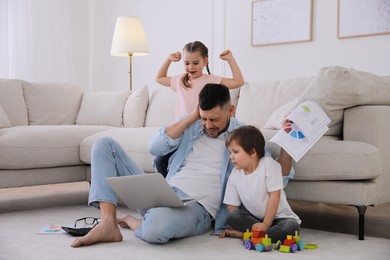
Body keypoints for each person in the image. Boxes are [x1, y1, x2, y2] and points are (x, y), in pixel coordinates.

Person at [71, 83, 293, 247]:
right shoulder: (193, 126)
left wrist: (288, 143)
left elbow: (276, 176)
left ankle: (135, 221)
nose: (208, 125)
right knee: (103, 144)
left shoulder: (245, 137)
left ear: (231, 111)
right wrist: (192, 117)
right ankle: (108, 223)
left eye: (214, 119)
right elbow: (155, 147)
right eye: (204, 118)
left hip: (198, 207)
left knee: (156, 228)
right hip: (162, 192)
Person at [154, 41, 244, 176]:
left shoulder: (211, 80)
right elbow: (159, 78)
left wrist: (230, 60)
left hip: (200, 132)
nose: (190, 67)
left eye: (195, 63)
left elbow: (238, 82)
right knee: (159, 160)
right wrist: (168, 60)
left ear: (205, 61)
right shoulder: (180, 80)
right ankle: (167, 186)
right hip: (182, 131)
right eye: (186, 63)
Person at [219, 125, 301, 242]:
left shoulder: (269, 165)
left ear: (252, 152)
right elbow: (232, 207)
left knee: (291, 228)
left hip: (281, 218)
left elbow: (275, 196)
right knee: (232, 216)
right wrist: (235, 222)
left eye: (235, 152)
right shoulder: (235, 174)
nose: (231, 157)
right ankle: (264, 235)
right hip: (256, 220)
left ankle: (247, 235)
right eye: (230, 152)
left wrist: (266, 224)